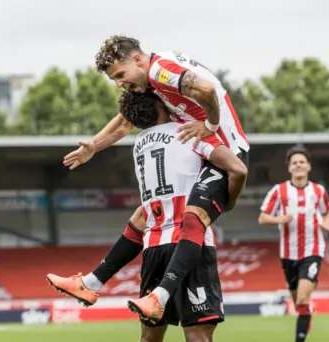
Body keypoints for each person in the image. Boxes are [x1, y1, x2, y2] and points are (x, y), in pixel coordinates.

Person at [51, 91, 231, 342]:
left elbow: (142, 213)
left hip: (152, 247)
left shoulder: (140, 144)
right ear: (163, 105)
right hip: (189, 245)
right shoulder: (186, 132)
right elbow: (230, 158)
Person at [60, 36, 248, 321]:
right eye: (114, 79)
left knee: (193, 216)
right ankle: (90, 284)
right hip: (204, 151)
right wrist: (93, 147)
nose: (119, 83)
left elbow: (208, 90)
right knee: (146, 215)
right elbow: (125, 122)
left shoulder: (161, 71)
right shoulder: (151, 80)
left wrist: (209, 124)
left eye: (120, 75)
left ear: (138, 60)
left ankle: (160, 296)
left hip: (226, 153)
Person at [258, 146, 329, 342]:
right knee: (299, 304)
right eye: (294, 163)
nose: (298, 165)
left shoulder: (318, 191)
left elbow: (328, 210)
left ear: (308, 166)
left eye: (302, 162)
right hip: (288, 254)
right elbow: (262, 218)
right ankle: (306, 313)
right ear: (289, 168)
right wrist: (281, 219)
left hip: (313, 250)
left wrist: (327, 223)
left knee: (301, 299)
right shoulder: (279, 191)